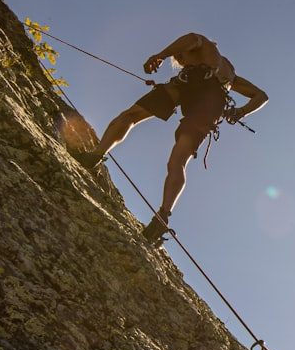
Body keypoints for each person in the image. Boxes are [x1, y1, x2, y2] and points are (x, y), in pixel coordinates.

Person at [75, 33, 268, 245]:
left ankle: (96, 154)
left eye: (181, 58)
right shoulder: (229, 73)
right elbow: (260, 95)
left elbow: (191, 39)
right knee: (178, 160)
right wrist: (240, 112)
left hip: (189, 87)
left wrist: (160, 55)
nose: (181, 61)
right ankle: (163, 216)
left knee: (129, 116)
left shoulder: (200, 43)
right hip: (211, 101)